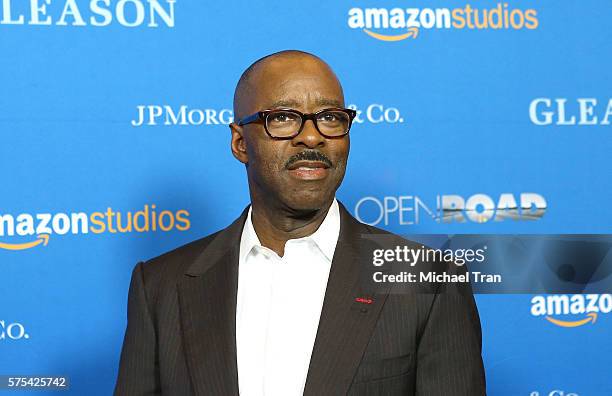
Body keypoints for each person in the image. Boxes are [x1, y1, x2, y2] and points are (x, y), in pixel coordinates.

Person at [114, 50, 486, 395]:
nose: (312, 136)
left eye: (331, 118)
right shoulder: (160, 286)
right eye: (283, 117)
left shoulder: (428, 281)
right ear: (240, 143)